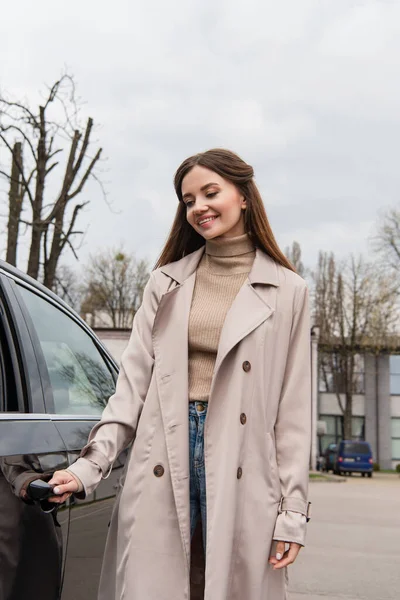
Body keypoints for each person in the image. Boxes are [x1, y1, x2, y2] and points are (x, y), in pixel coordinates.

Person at [49, 148, 312, 600]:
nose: (199, 208)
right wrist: (89, 466)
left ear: (244, 195)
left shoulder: (289, 290)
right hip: (163, 450)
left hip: (244, 461)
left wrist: (292, 513)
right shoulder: (164, 283)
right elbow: (130, 389)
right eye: (188, 200)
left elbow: (293, 414)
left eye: (211, 193)